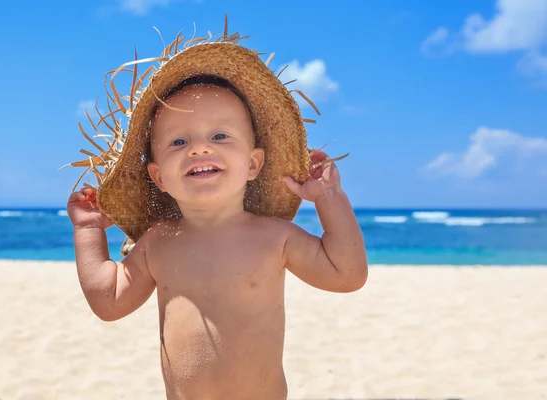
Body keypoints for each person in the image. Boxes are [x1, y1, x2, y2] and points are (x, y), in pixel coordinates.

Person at [66, 17, 367, 400]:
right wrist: (89, 230)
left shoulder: (274, 237)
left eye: (220, 135)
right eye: (178, 141)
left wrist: (329, 197)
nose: (199, 147)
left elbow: (348, 274)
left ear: (253, 164)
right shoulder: (159, 242)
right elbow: (108, 302)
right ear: (158, 177)